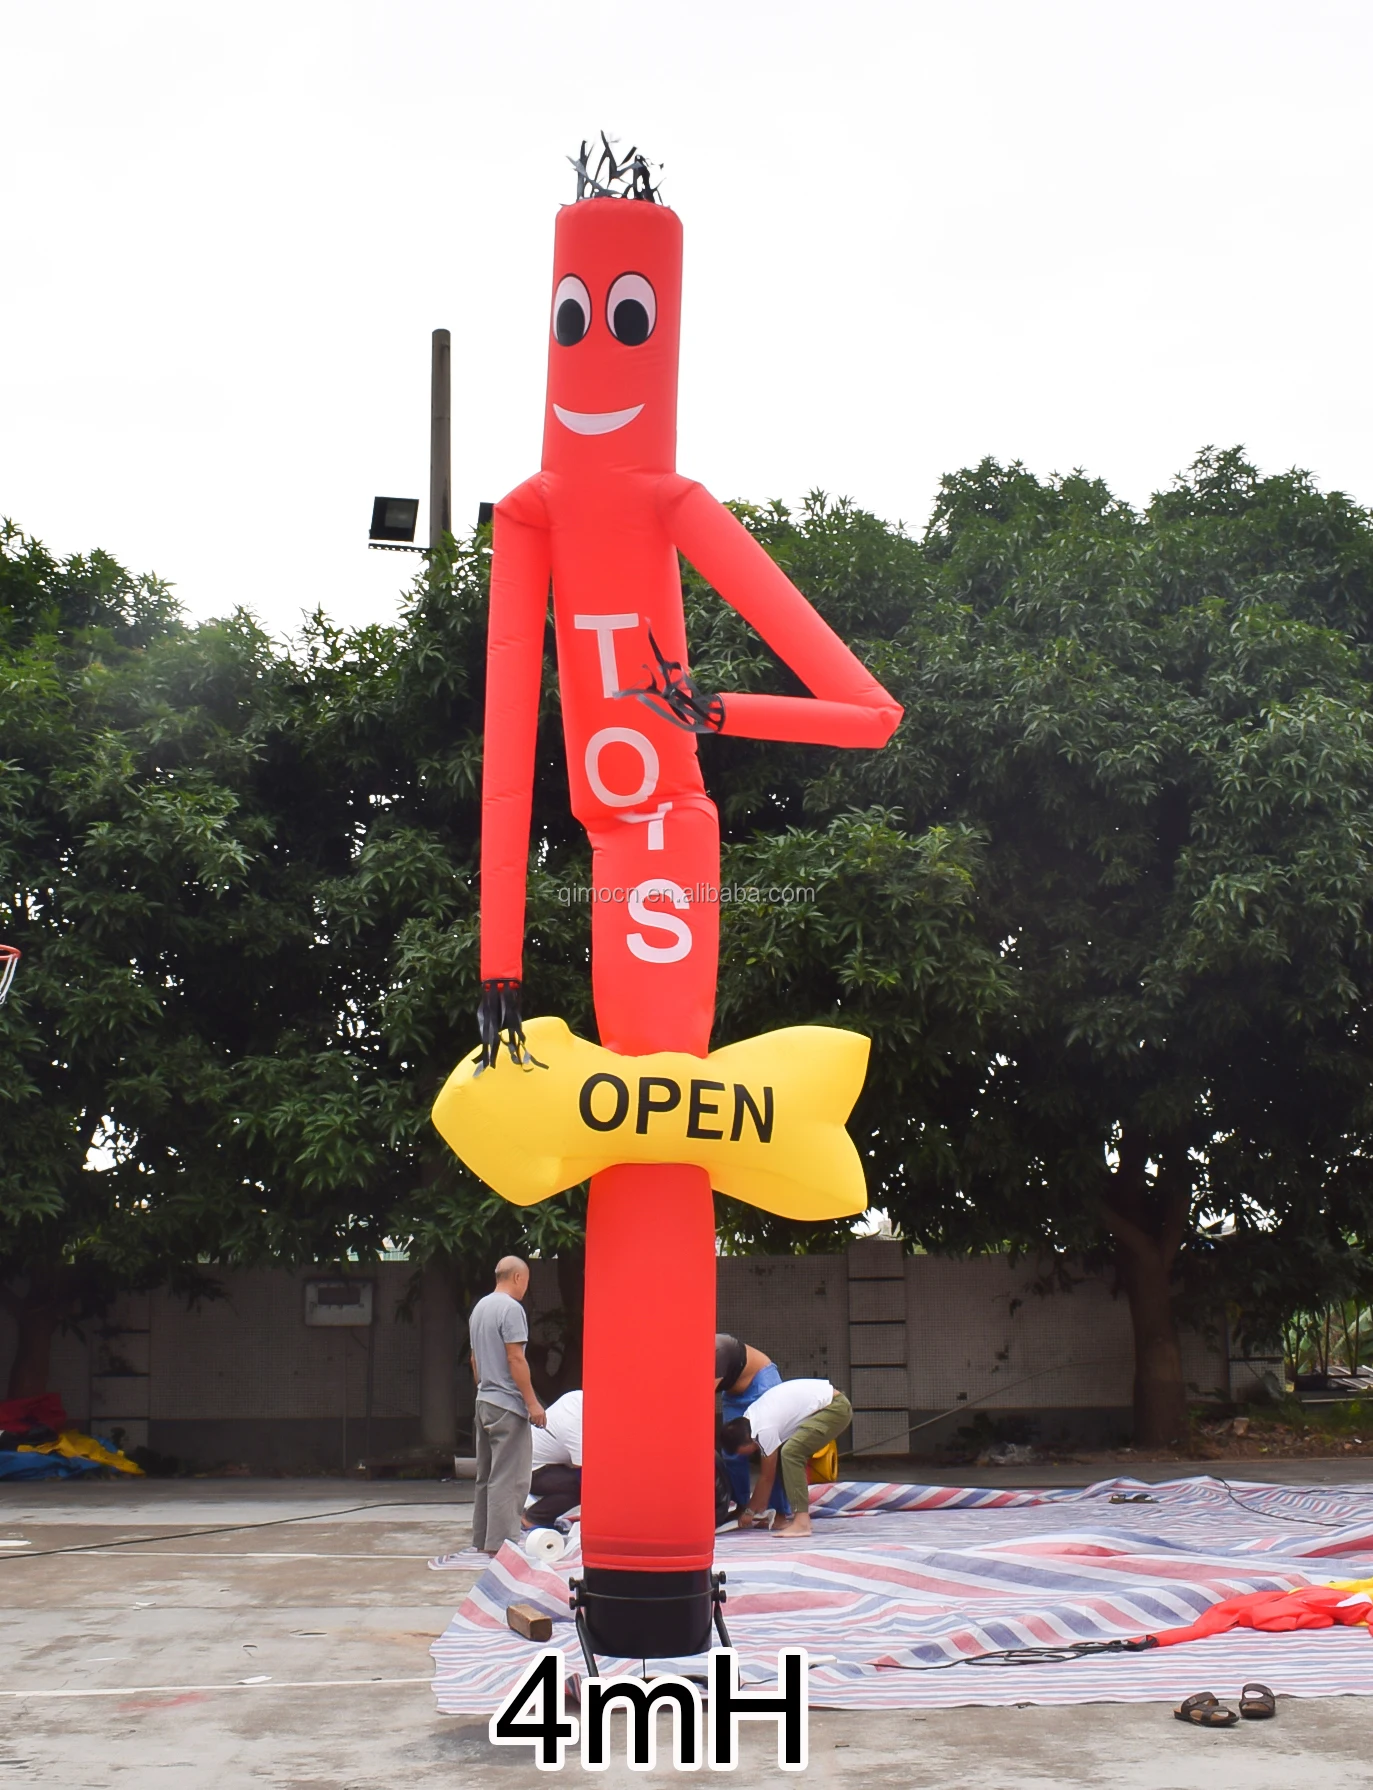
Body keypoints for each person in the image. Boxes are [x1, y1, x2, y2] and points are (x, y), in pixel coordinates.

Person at [467, 1256, 546, 1554]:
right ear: (517, 1278)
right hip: (507, 1405)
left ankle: (482, 1538)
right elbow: (515, 1358)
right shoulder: (511, 1309)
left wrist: (485, 1387)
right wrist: (531, 1403)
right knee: (509, 1477)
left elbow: (475, 1359)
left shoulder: (480, 1308)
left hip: (484, 1400)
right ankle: (501, 1545)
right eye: (526, 1280)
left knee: (485, 1476)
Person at [719, 1378, 852, 1538]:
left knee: (791, 1453)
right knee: (785, 1458)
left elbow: (767, 1477)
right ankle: (785, 1518)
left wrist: (748, 1511)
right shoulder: (751, 1417)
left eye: (742, 1452)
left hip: (834, 1407)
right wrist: (755, 1510)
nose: (746, 1456)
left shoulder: (762, 1429)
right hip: (827, 1403)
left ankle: (802, 1522)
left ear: (746, 1441)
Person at [715, 1333, 788, 1517]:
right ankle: (741, 1505)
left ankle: (778, 1510)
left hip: (760, 1382)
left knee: (770, 1450)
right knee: (731, 1452)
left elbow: (700, 1403)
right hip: (733, 1394)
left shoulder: (716, 1350)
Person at [526, 1389, 582, 1528]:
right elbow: (584, 1472)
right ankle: (533, 1517)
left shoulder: (577, 1398)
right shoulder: (575, 1423)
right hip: (528, 1471)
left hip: (533, 1461)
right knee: (579, 1487)